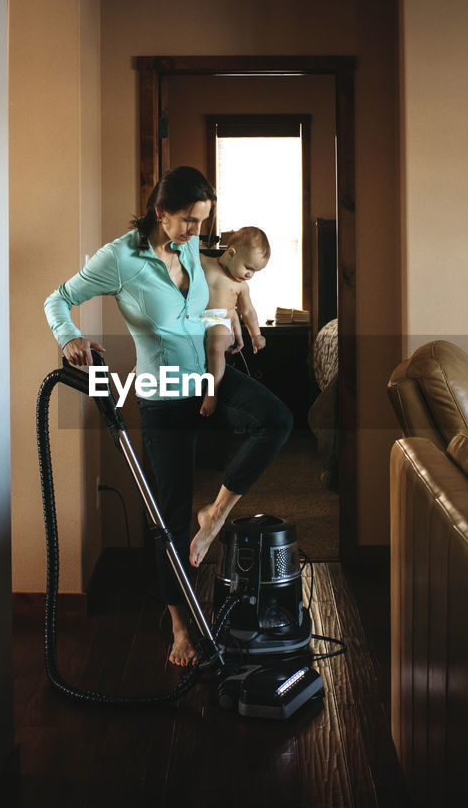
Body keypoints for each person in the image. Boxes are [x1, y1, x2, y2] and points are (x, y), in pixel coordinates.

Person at [44, 166, 292, 667]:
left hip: (209, 378)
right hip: (164, 393)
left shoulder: (191, 252)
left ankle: (217, 514)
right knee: (170, 517)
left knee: (276, 420)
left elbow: (202, 308)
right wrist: (69, 336)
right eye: (186, 222)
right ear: (160, 211)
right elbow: (58, 299)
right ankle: (180, 626)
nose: (195, 233)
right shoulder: (121, 258)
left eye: (202, 222)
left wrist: (225, 333)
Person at [197, 226, 270, 417]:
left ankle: (211, 393)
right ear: (231, 253)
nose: (249, 275)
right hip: (195, 318)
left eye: (255, 271)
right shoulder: (203, 261)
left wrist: (256, 335)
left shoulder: (241, 286)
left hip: (220, 320)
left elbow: (248, 311)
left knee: (215, 346)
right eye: (248, 267)